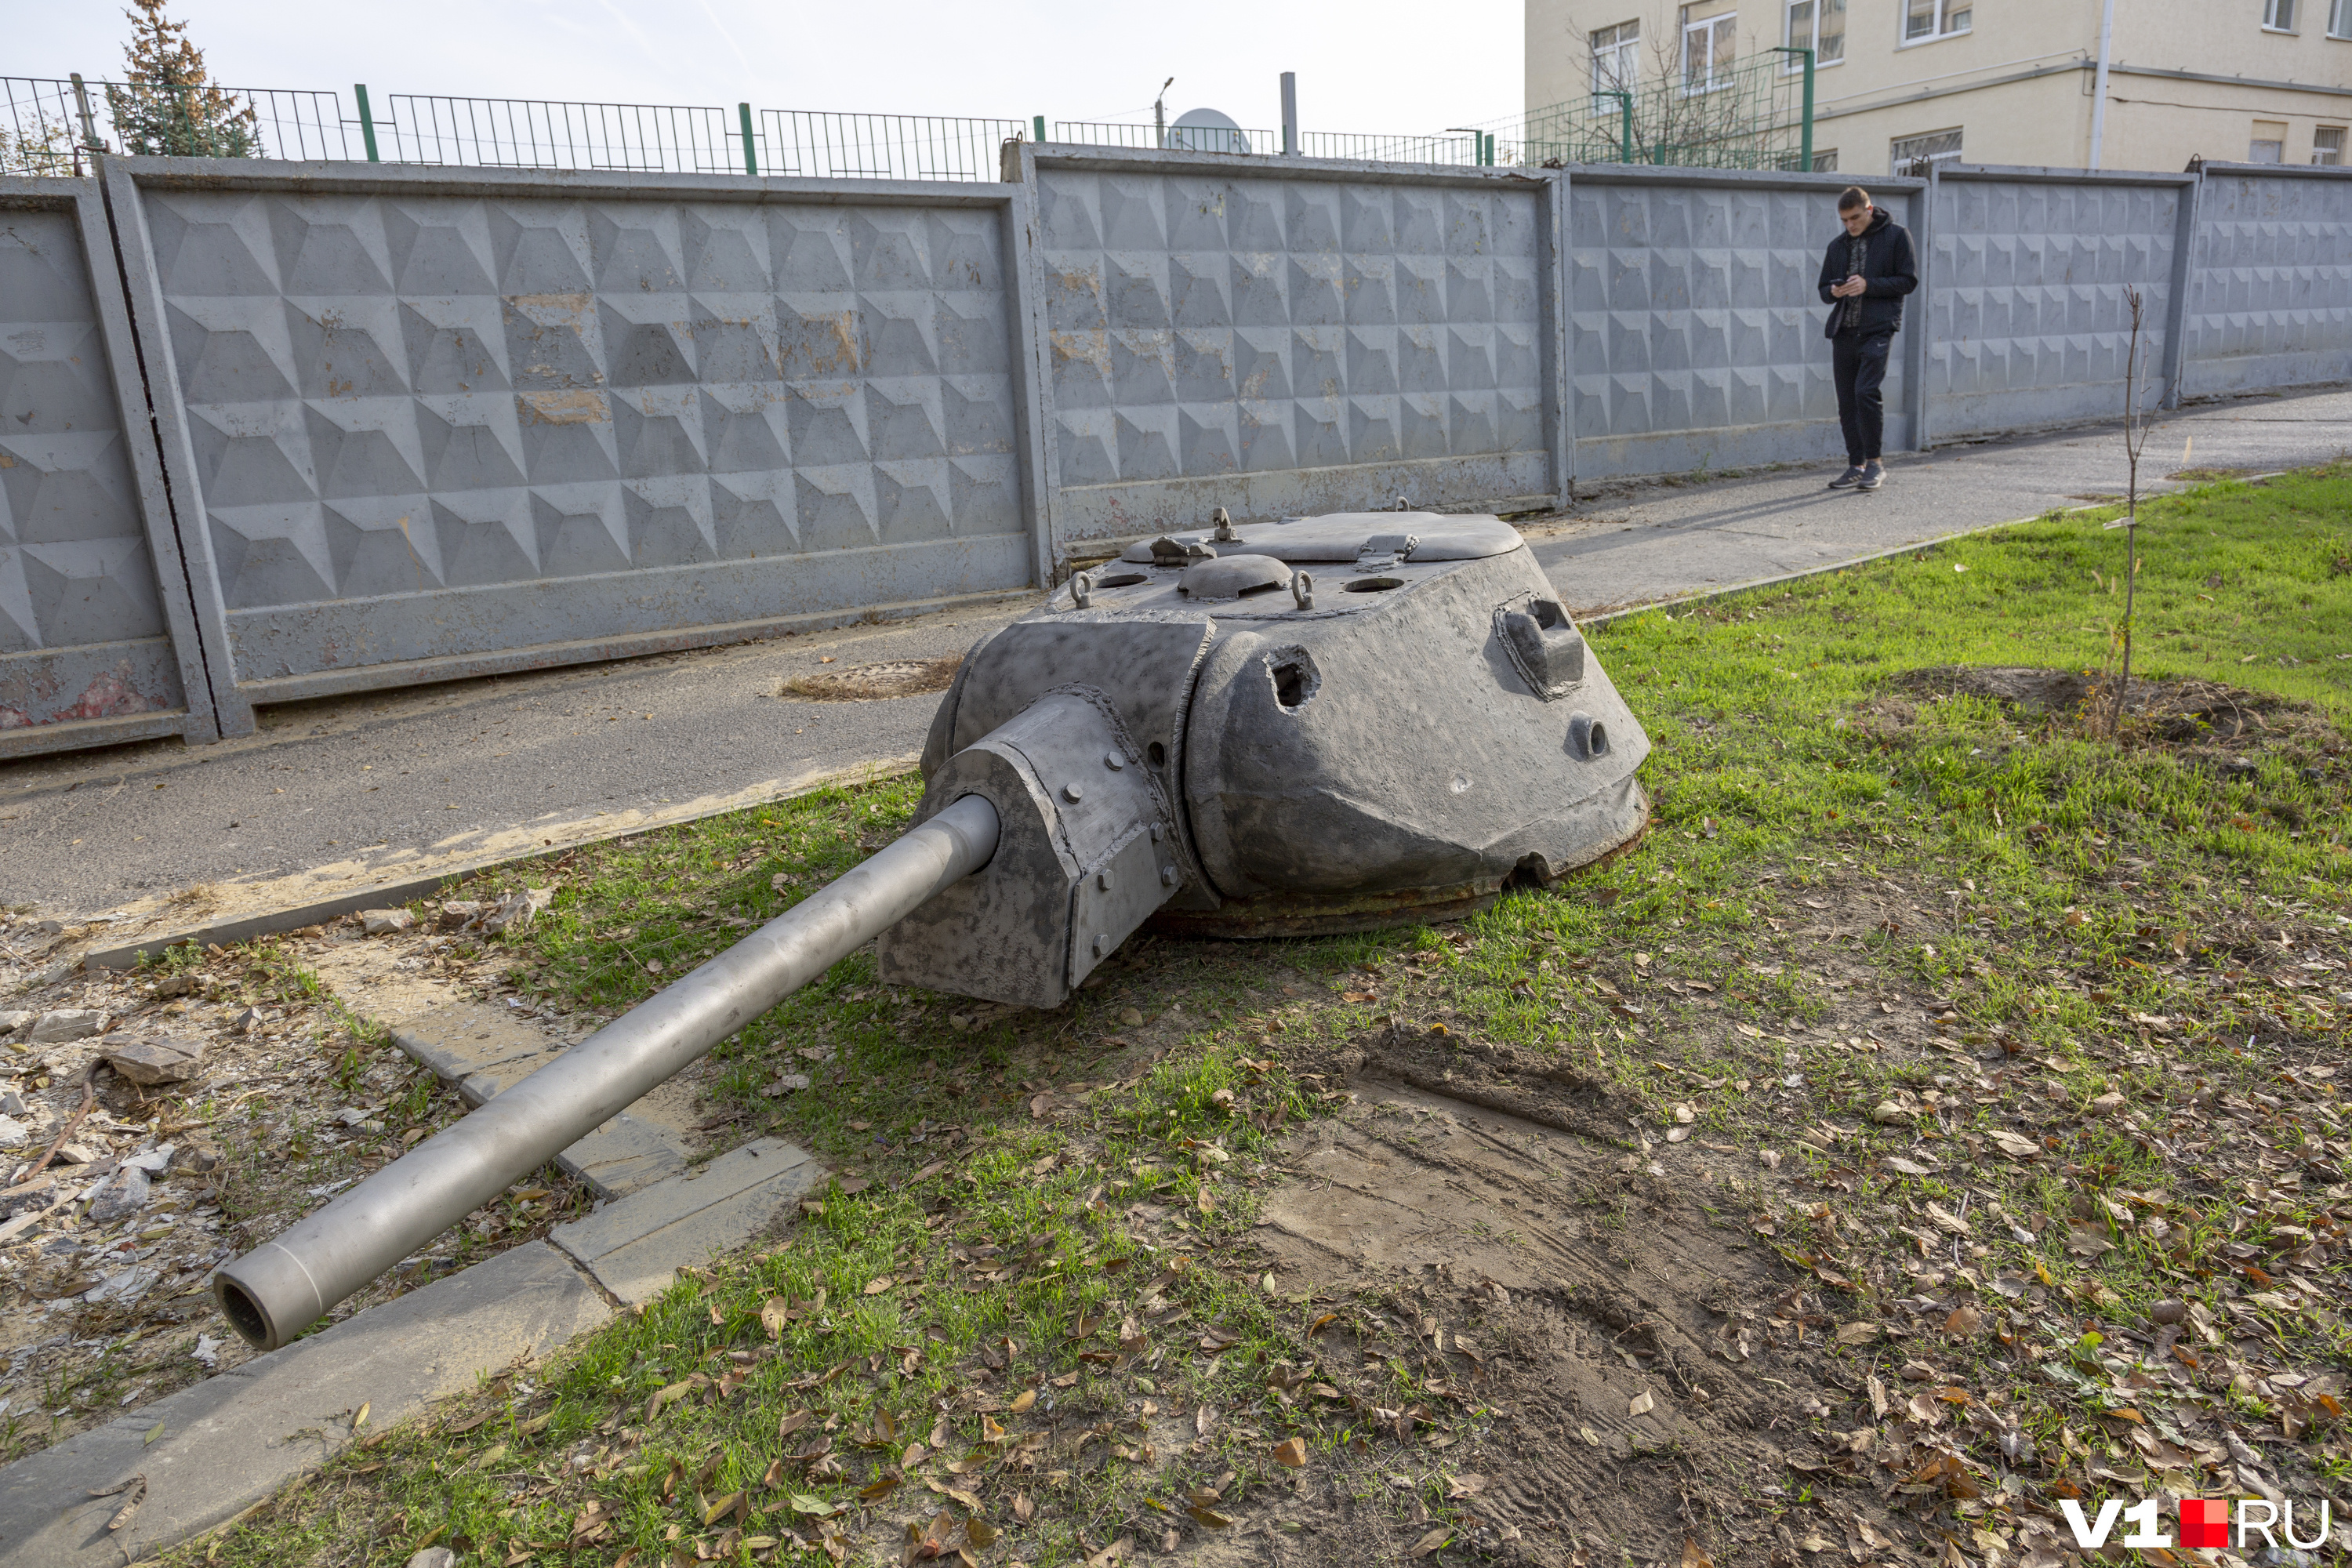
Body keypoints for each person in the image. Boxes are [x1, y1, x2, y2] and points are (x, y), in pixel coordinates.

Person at [1817, 186, 1918, 492]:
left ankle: (1875, 464)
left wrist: (1868, 285)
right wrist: (1833, 291)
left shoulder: (1897, 236)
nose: (1851, 225)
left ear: (1870, 210)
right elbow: (1823, 290)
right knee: (1847, 400)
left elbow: (1908, 281)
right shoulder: (1837, 246)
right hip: (1844, 331)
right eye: (1845, 220)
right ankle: (1855, 465)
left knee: (1865, 392)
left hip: (1878, 328)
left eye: (1855, 217)